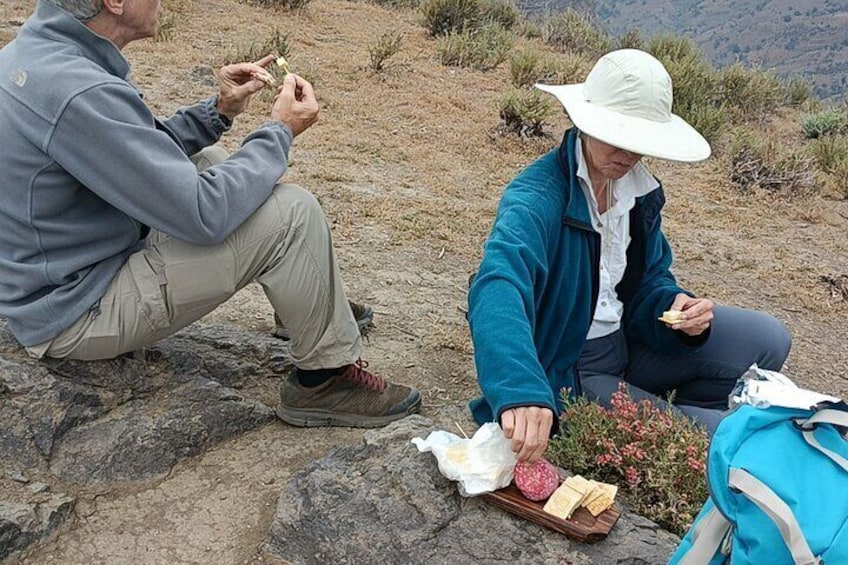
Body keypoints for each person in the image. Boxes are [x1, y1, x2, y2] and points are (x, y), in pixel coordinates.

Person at [0, 0, 421, 428]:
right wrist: (279, 131)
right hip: (75, 309)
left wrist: (218, 110)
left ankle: (306, 300)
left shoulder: (42, 55)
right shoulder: (77, 90)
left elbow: (126, 149)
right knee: (293, 214)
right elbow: (204, 214)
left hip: (65, 266)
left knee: (212, 160)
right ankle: (326, 380)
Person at [466, 49, 791, 462]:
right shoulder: (538, 198)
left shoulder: (636, 191)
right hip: (570, 369)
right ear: (584, 123)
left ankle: (664, 417)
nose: (628, 153)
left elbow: (652, 279)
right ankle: (668, 430)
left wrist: (679, 312)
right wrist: (520, 388)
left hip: (629, 343)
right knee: (735, 440)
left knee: (769, 338)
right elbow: (497, 287)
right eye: (616, 134)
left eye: (638, 140)